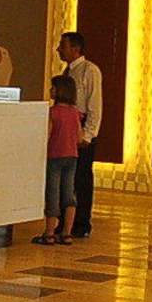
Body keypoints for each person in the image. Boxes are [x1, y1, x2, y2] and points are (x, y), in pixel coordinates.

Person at [57, 30, 104, 239]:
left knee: (81, 177)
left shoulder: (89, 71)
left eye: (63, 46)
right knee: (65, 176)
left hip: (81, 128)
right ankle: (64, 220)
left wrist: (88, 134)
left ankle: (82, 222)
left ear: (75, 49)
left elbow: (95, 104)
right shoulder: (67, 72)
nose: (58, 49)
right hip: (67, 128)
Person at [36, 74, 82, 246]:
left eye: (53, 88)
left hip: (54, 156)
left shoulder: (52, 112)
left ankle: (49, 233)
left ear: (60, 91)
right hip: (72, 156)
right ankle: (67, 233)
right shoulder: (75, 113)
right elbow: (79, 137)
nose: (50, 90)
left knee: (53, 193)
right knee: (69, 193)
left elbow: (47, 135)